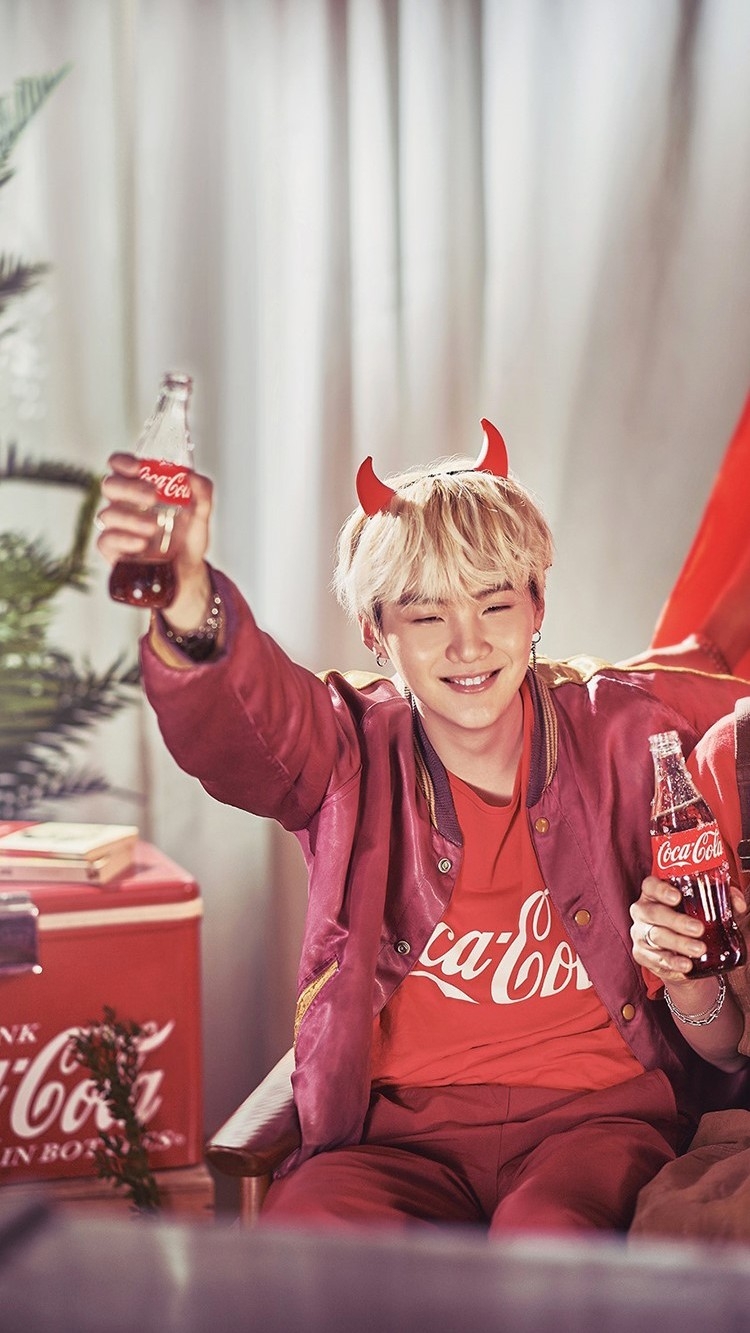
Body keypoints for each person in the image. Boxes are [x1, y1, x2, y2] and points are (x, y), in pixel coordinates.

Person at [97, 419, 750, 1235]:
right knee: (310, 1237)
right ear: (377, 632)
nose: (468, 644)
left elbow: (737, 722)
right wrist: (191, 598)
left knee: (550, 1242)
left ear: (537, 608)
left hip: (601, 1121)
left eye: (495, 603)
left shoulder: (629, 726)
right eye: (427, 615)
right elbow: (250, 719)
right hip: (397, 1143)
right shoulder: (345, 750)